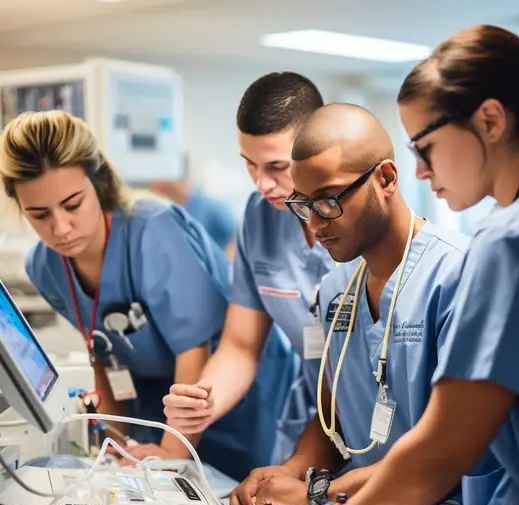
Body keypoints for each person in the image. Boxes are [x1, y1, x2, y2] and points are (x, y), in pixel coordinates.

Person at [221, 24, 519, 505]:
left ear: (491, 121)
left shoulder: (518, 241)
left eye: (424, 146)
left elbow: (446, 448)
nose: (421, 170)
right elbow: (337, 416)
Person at [224, 103, 496, 505]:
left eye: (329, 201)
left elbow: (447, 449)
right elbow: (333, 418)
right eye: (303, 204)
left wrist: (317, 492)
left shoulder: (460, 276)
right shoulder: (335, 289)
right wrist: (291, 471)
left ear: (386, 179)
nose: (314, 223)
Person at [0, 109, 293, 482]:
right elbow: (102, 350)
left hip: (228, 396)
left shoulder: (154, 229)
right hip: (159, 401)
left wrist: (172, 451)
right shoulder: (44, 266)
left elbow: (194, 348)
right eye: (39, 215)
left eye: (72, 204)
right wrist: (112, 446)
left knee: (238, 498)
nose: (60, 228)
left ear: (98, 182)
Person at [163, 73, 336, 465]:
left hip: (374, 423)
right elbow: (241, 345)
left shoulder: (359, 225)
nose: (263, 184)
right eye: (250, 165)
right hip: (310, 421)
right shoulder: (259, 218)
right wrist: (204, 402)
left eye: (277, 166)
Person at [148, 179, 237, 259]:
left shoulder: (211, 208)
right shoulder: (169, 213)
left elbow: (238, 238)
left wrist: (228, 271)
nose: (155, 184)